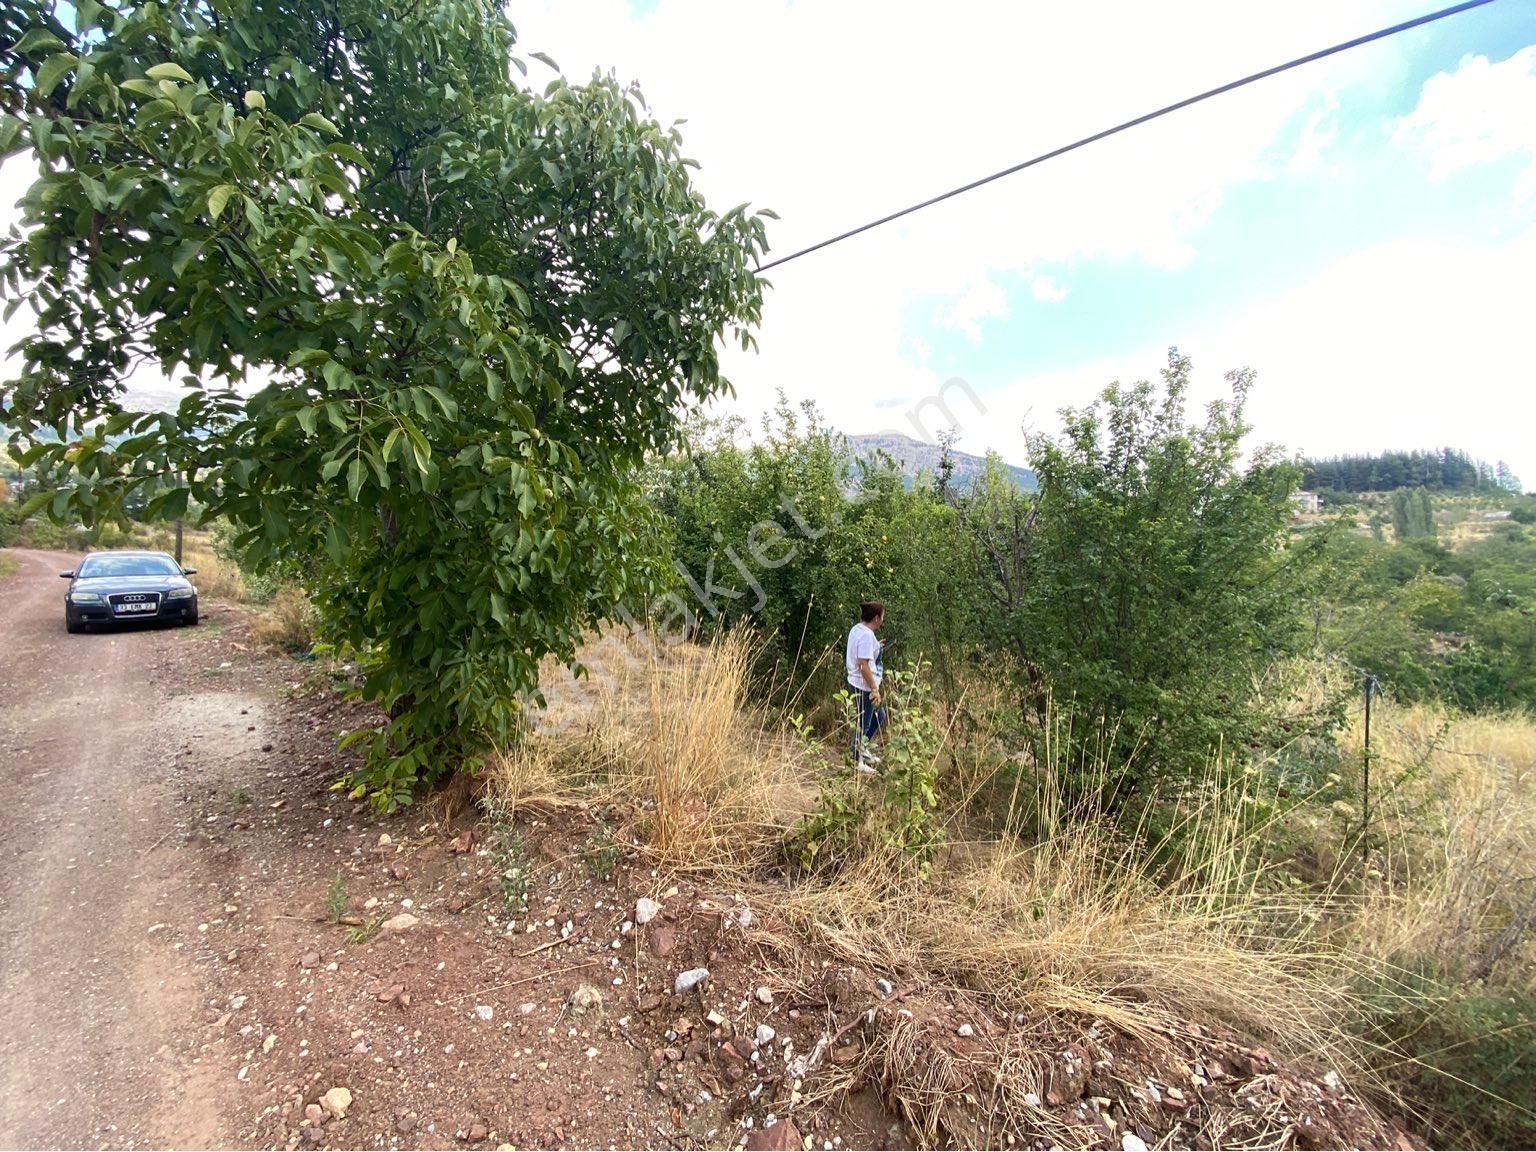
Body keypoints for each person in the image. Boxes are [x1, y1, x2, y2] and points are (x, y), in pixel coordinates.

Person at [845, 601, 886, 769]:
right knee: (864, 723)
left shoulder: (858, 629)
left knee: (879, 716)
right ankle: (857, 759)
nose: (883, 620)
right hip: (863, 686)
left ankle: (861, 749)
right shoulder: (867, 636)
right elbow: (863, 665)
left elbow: (863, 653)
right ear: (876, 618)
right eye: (882, 617)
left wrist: (877, 646)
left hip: (856, 683)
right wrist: (874, 689)